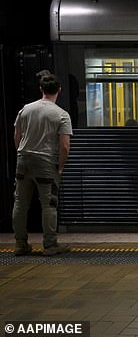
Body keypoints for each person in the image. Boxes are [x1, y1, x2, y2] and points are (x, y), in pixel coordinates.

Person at [12, 73, 73, 256]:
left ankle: (20, 244)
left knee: (20, 203)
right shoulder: (61, 115)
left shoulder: (26, 110)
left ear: (41, 89)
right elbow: (64, 146)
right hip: (46, 162)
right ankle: (50, 244)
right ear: (59, 90)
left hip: (23, 160)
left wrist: (21, 153)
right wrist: (60, 167)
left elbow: (17, 135)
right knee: (49, 204)